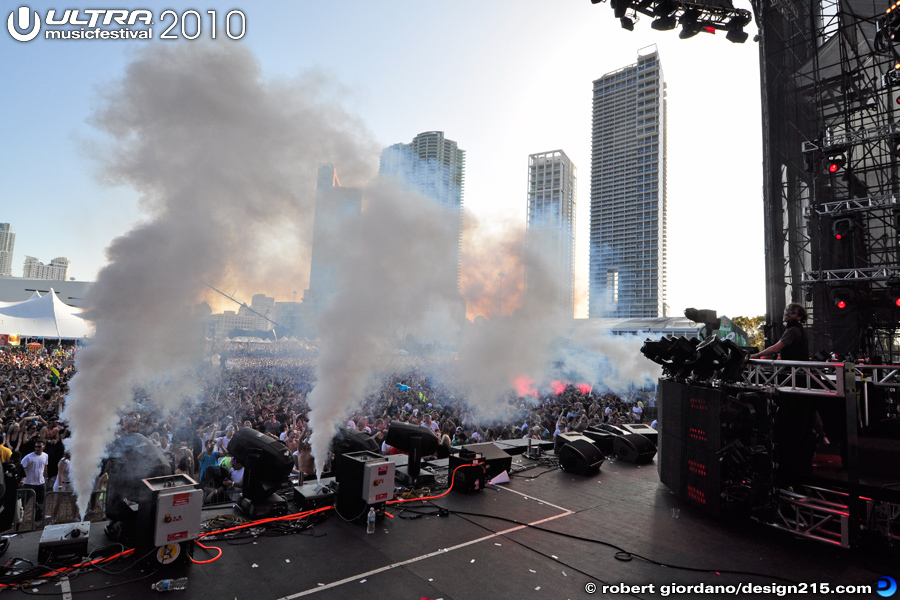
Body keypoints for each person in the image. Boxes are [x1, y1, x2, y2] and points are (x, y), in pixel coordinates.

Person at [21, 440, 49, 522]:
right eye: (36, 446)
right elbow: (22, 468)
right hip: (29, 483)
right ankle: (18, 518)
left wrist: (46, 477)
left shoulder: (45, 456)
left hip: (41, 482)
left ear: (43, 447)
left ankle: (38, 517)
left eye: (39, 446)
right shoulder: (28, 457)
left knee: (41, 501)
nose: (37, 448)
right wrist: (22, 480)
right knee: (23, 502)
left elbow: (45, 467)